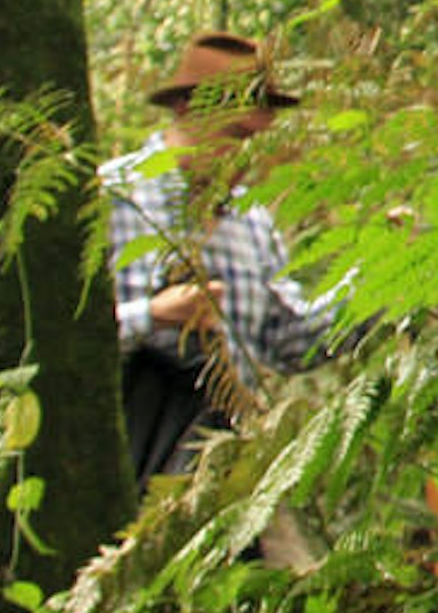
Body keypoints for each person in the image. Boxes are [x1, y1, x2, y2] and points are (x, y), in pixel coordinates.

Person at [106, 32, 342, 485]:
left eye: (258, 140)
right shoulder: (112, 199)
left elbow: (290, 340)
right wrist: (152, 317)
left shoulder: (252, 223)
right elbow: (56, 344)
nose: (247, 155)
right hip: (117, 478)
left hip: (223, 482)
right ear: (185, 110)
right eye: (236, 136)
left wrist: (377, 287)